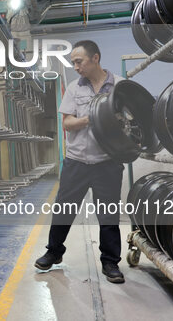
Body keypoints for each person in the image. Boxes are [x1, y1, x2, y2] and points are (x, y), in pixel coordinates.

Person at [34, 40, 125, 283]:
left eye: (79, 61)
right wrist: (93, 117)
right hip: (76, 161)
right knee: (63, 210)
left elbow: (132, 119)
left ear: (95, 58)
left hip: (107, 162)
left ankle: (110, 263)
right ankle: (53, 252)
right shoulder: (75, 88)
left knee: (108, 215)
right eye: (73, 62)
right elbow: (67, 124)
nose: (75, 66)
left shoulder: (119, 86)